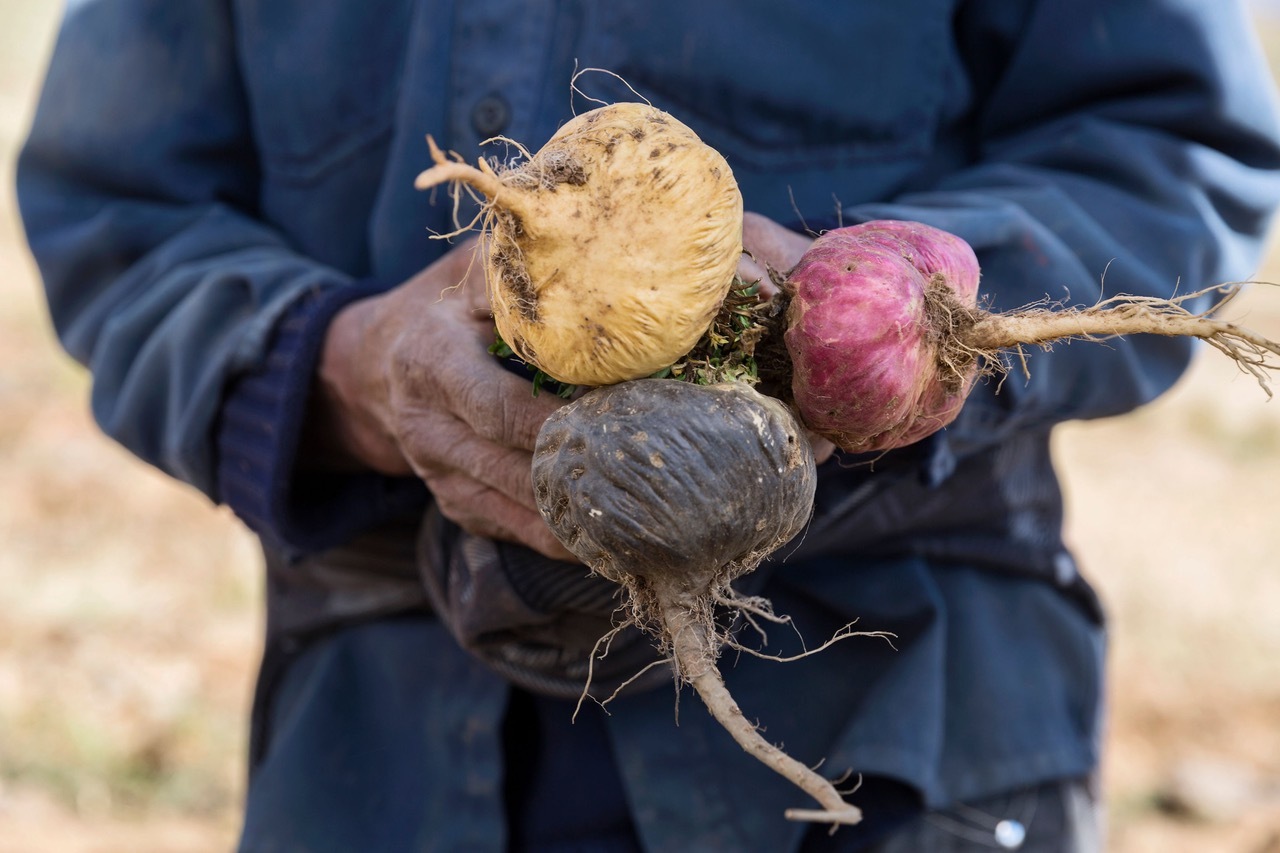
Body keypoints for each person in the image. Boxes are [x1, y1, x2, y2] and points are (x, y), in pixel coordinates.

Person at [18, 1, 1280, 850]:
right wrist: (344, 367)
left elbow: (1171, 151)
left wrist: (885, 316)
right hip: (377, 740)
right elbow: (118, 211)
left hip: (885, 704)